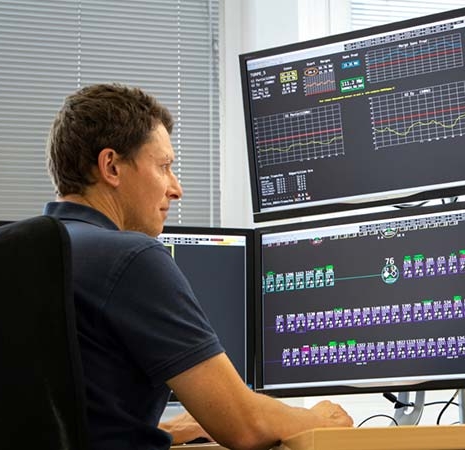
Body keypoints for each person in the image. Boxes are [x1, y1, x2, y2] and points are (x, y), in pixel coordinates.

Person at [43, 83, 353, 449]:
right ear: (111, 166)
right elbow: (244, 425)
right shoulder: (129, 257)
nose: (176, 189)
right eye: (164, 167)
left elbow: (64, 424)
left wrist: (169, 431)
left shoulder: (18, 253)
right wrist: (319, 419)